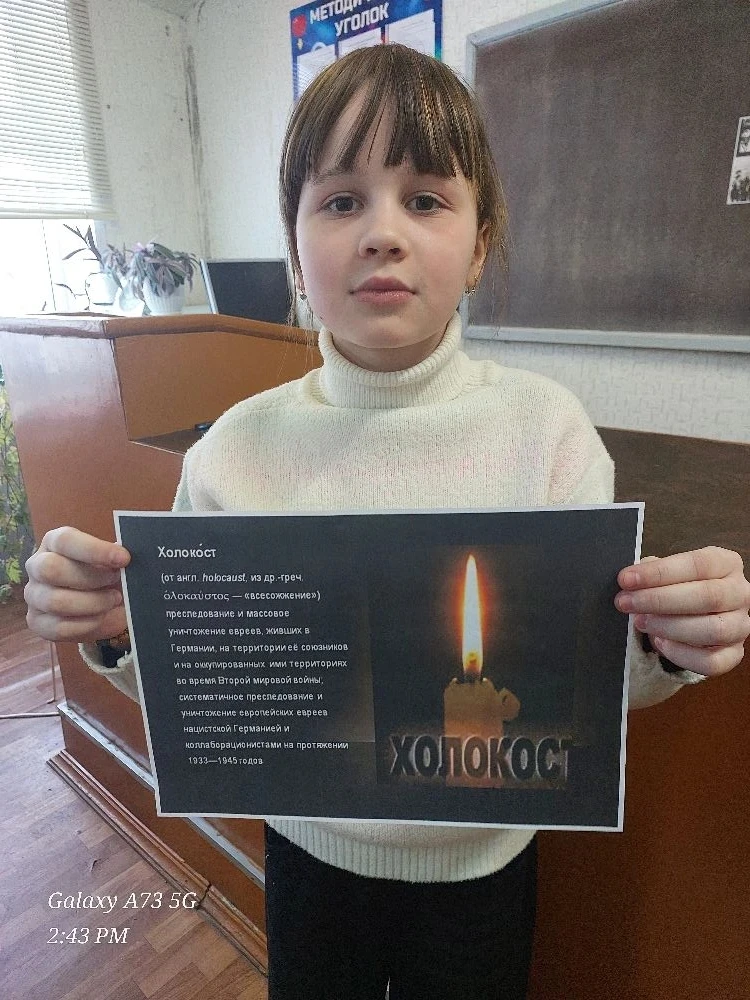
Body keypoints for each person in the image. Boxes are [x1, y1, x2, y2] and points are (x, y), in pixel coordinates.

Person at [25, 44, 750, 1000]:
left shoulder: (548, 435)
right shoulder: (233, 451)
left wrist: (668, 643)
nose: (382, 234)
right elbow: (199, 691)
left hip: (484, 862)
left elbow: (588, 682)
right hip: (309, 854)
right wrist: (121, 631)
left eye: (425, 199)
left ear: (480, 244)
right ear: (294, 252)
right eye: (340, 200)